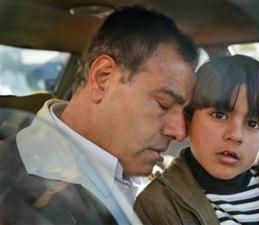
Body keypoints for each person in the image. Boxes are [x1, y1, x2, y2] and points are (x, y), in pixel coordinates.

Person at [0, 5, 198, 225]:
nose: (180, 132)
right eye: (164, 104)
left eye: (185, 112)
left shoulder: (152, 169)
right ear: (103, 78)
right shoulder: (12, 193)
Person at [134, 55, 259, 225]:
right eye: (219, 115)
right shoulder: (160, 204)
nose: (235, 135)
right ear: (188, 120)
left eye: (253, 124)